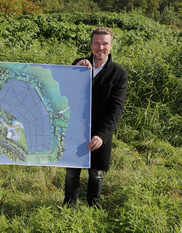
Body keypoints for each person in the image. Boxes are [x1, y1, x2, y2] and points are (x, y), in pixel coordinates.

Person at [63, 27, 128, 208]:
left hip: (100, 131)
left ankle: (93, 208)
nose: (101, 47)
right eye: (97, 43)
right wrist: (73, 72)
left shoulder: (118, 73)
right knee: (71, 173)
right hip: (75, 128)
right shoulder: (79, 64)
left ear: (111, 46)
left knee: (96, 173)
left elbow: (116, 108)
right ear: (91, 45)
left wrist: (102, 135)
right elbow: (64, 91)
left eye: (105, 44)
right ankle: (69, 208)